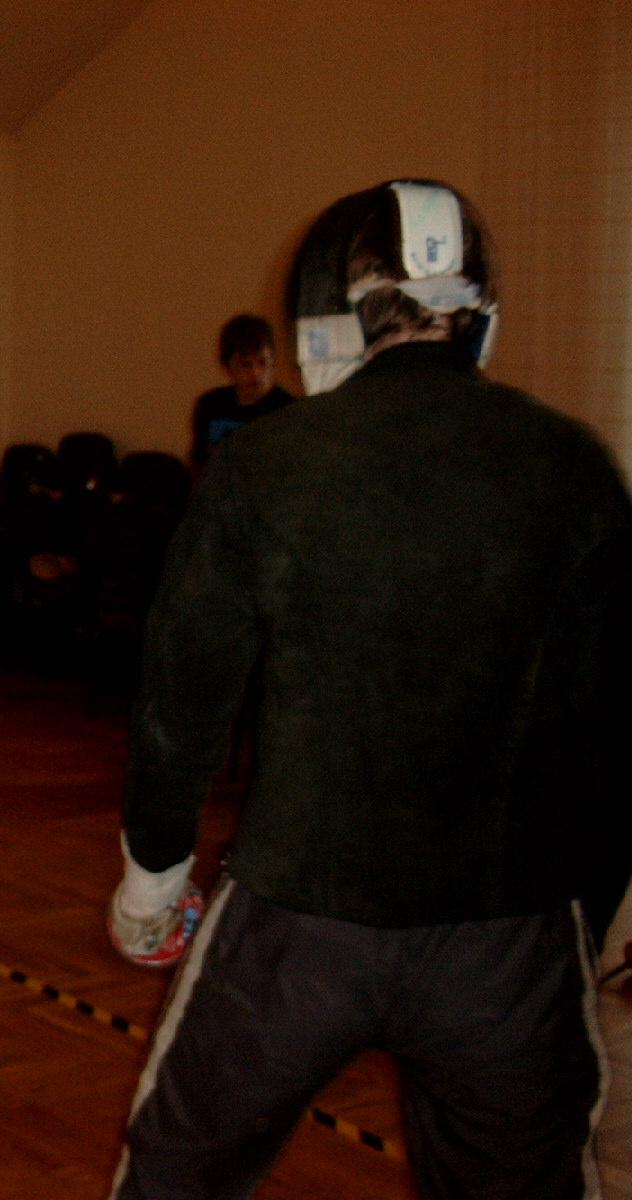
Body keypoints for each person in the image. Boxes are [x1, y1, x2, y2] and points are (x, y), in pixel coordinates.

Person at [106, 181, 632, 1199]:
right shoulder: (575, 465)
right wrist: (578, 918)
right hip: (507, 943)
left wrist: (149, 895)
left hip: (294, 925)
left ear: (334, 315)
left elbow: (181, 707)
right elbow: (614, 732)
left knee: (174, 1182)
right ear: (481, 313)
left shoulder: (264, 465)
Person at [187, 314, 297, 473]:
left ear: (273, 360)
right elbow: (198, 462)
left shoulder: (288, 408)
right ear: (227, 366)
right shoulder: (210, 405)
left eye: (262, 362)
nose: (255, 373)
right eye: (245, 365)